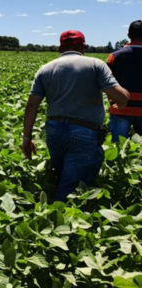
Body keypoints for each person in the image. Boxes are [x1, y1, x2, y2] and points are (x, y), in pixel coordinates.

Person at [21, 30, 130, 202]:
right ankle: (58, 213)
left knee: (62, 176)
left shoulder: (45, 69)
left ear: (60, 48)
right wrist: (124, 99)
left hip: (54, 131)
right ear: (83, 47)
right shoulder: (95, 64)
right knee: (71, 189)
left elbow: (31, 106)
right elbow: (120, 96)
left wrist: (27, 138)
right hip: (84, 132)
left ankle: (51, 206)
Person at [106, 20, 142, 143]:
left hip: (121, 107)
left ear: (129, 35)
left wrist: (113, 102)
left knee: (118, 146)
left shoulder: (114, 56)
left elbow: (107, 84)